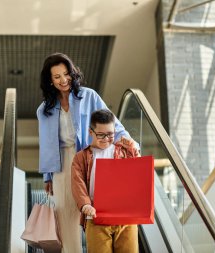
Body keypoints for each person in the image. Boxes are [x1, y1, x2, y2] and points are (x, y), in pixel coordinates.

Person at [37, 53, 136, 253]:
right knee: (66, 218)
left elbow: (112, 124)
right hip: (61, 164)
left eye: (66, 74)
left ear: (72, 73)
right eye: (57, 77)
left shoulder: (89, 96)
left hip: (90, 160)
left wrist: (128, 140)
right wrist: (48, 176)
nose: (63, 80)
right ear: (50, 80)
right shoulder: (44, 110)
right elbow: (45, 144)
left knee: (94, 212)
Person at [71, 109, 139, 253]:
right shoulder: (81, 157)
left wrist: (133, 150)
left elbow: (137, 175)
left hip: (125, 217)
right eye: (101, 135)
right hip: (96, 216)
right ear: (91, 132)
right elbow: (78, 184)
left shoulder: (124, 151)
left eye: (110, 134)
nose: (107, 139)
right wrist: (85, 205)